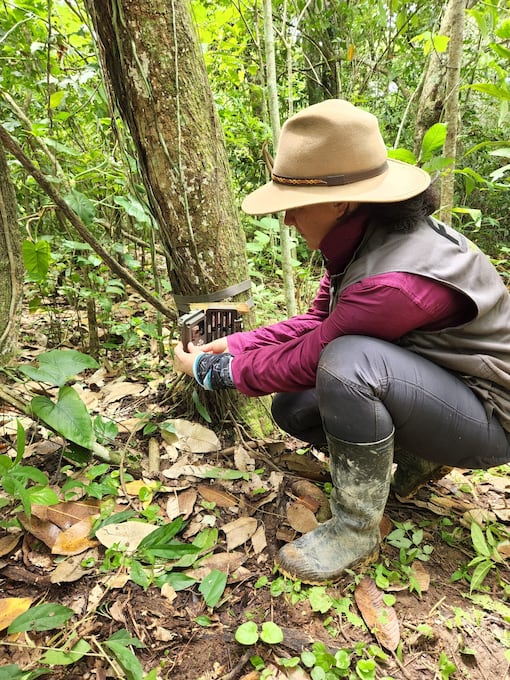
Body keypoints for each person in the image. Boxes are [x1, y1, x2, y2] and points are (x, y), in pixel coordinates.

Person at [174, 99, 510, 585]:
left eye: (293, 207)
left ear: (340, 201)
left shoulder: (393, 281)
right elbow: (318, 319)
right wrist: (238, 343)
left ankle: (356, 529)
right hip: (445, 389)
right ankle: (418, 458)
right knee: (294, 407)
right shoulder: (368, 240)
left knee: (348, 364)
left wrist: (214, 373)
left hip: (492, 415)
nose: (287, 221)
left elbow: (319, 352)